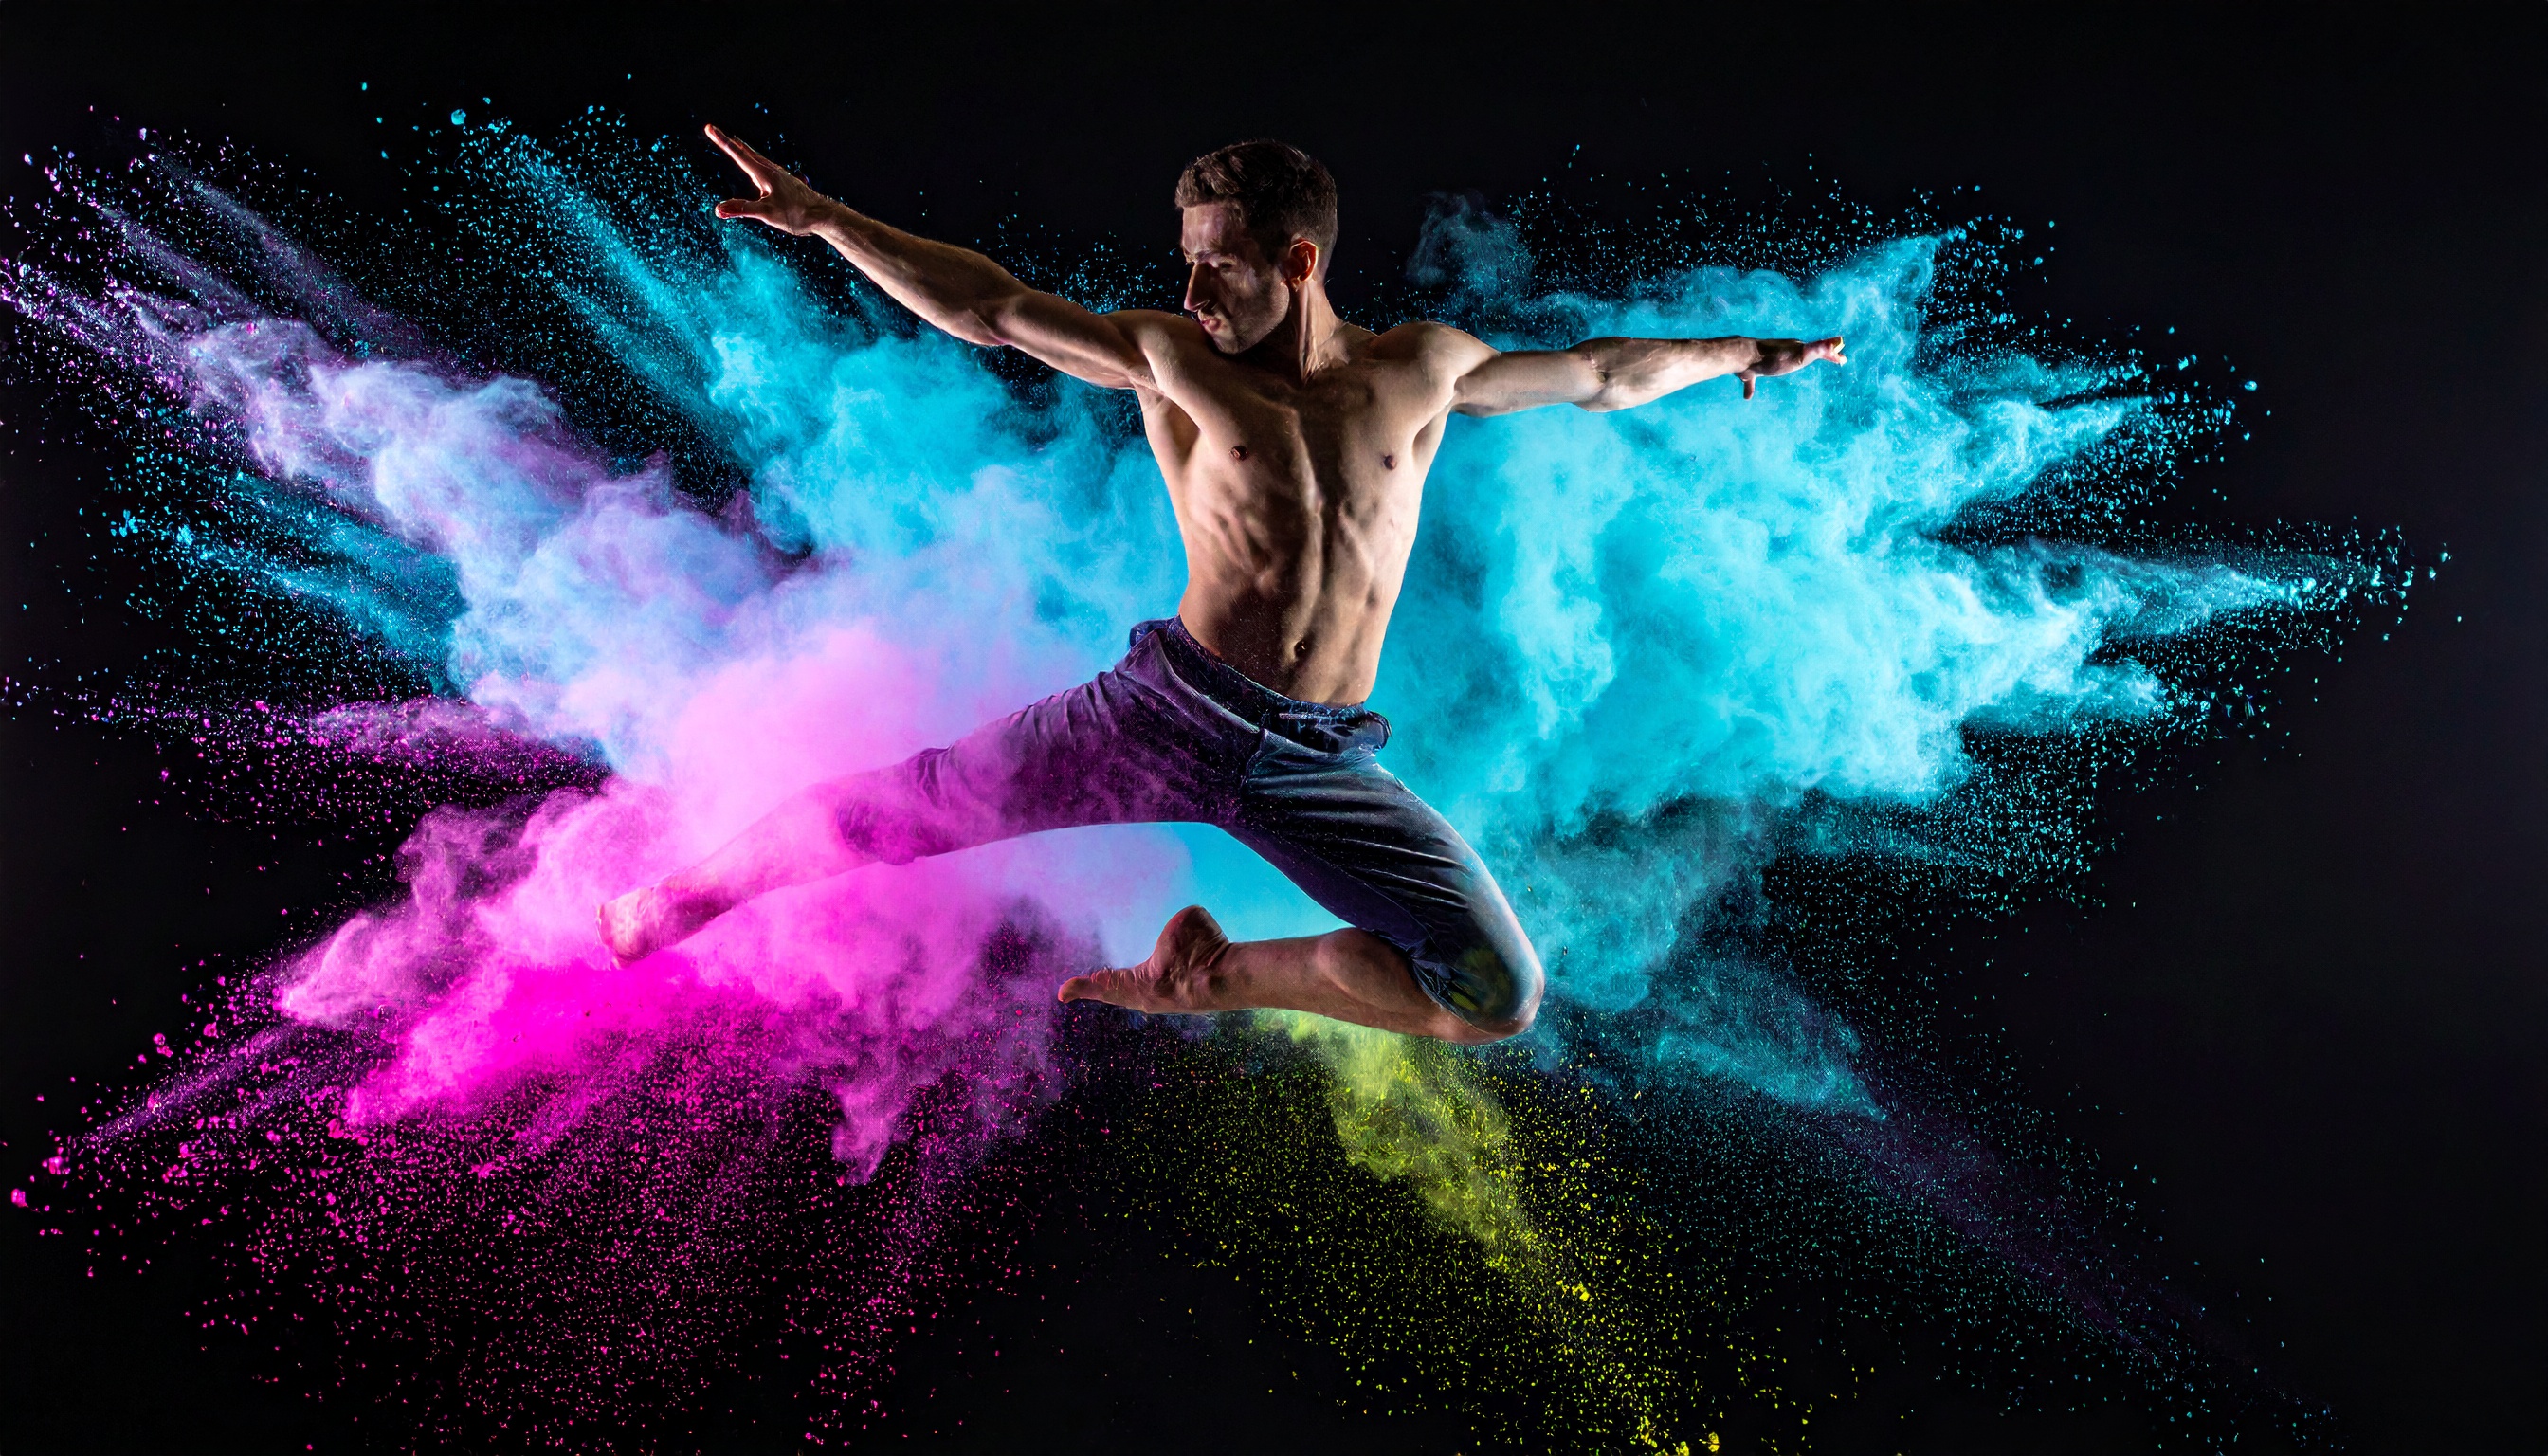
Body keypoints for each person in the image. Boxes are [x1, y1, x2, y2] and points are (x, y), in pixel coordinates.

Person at [597, 126, 1845, 1044]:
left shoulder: (1419, 373)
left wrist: (1745, 351)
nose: (1191, 292)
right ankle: (686, 895)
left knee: (1490, 994)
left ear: (1298, 261)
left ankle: (1205, 976)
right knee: (906, 805)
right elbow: (992, 309)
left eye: (1220, 269)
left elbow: (1602, 374)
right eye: (1184, 265)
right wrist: (830, 223)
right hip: (1163, 715)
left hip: (1314, 758)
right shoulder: (1172, 359)